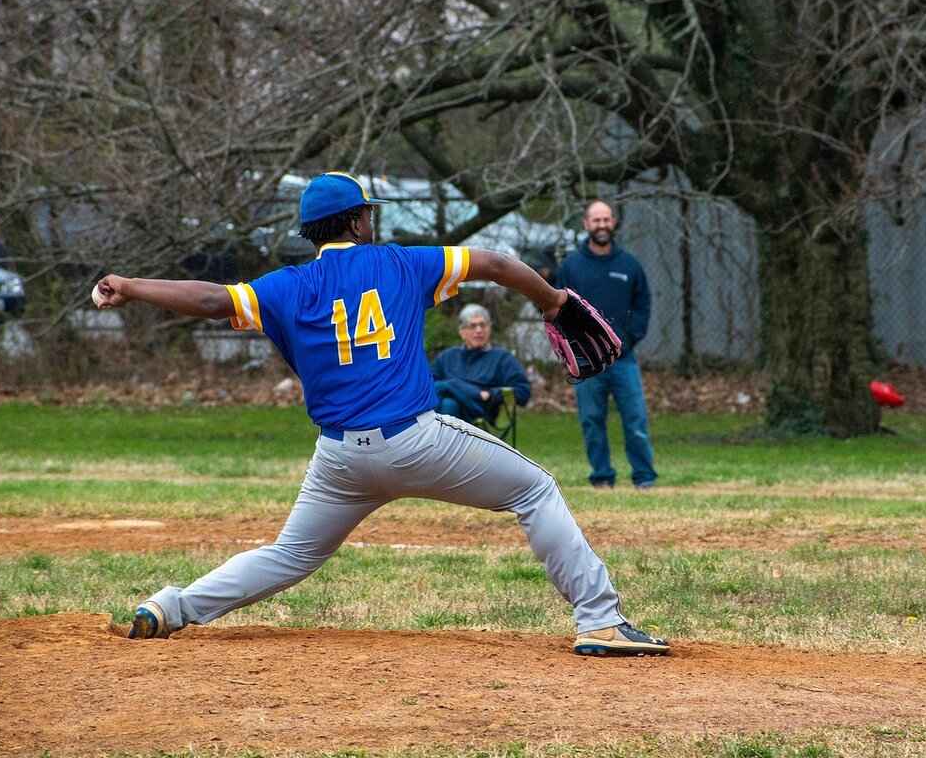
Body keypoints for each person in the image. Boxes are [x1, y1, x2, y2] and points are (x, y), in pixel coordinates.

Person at [93, 171, 669, 657]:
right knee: (535, 491)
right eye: (365, 214)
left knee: (289, 555)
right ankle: (599, 620)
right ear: (355, 222)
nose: (371, 222)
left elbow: (214, 300)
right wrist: (555, 301)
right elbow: (494, 262)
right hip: (415, 440)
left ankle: (171, 607)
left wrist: (131, 285)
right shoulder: (399, 263)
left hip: (339, 457)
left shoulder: (285, 286)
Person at [556, 200, 658, 490]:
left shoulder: (629, 265)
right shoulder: (571, 267)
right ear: (586, 224)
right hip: (588, 362)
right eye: (595, 220)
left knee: (636, 421)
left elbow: (642, 305)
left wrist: (628, 339)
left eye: (606, 219)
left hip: (623, 360)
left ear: (613, 223)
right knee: (591, 421)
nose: (601, 225)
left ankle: (644, 478)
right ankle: (602, 477)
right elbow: (557, 307)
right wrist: (577, 347)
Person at [431, 304, 531, 426]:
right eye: (472, 326)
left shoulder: (502, 358)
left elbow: (523, 392)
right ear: (462, 332)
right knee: (446, 399)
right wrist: (470, 391)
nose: (479, 330)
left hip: (481, 412)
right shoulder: (447, 356)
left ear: (489, 329)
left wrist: (491, 394)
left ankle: (435, 442)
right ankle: (459, 389)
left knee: (445, 396)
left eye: (483, 325)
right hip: (451, 409)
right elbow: (429, 386)